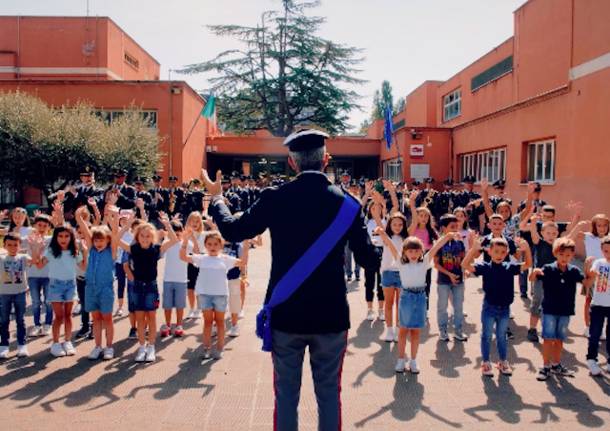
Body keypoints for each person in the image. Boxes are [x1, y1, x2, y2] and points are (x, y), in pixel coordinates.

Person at [201, 128, 380, 431]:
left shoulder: (276, 198)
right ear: (326, 160)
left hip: (287, 313)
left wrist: (217, 198)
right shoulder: (348, 205)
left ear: (292, 162)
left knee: (285, 396)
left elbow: (232, 230)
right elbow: (369, 261)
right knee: (328, 395)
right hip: (331, 316)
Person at [377, 229, 458, 373]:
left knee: (416, 332)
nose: (413, 254)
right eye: (410, 251)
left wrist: (447, 236)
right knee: (402, 331)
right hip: (406, 297)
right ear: (405, 252)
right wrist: (383, 234)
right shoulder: (401, 263)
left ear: (421, 252)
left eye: (416, 251)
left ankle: (413, 360)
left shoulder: (425, 262)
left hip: (420, 298)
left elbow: (435, 247)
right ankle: (401, 360)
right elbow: (391, 245)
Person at [462, 236, 532, 377]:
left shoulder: (510, 267)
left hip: (505, 309)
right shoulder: (485, 267)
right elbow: (465, 265)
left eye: (502, 252)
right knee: (486, 336)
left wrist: (527, 249)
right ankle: (486, 362)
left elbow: (528, 264)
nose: (499, 255)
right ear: (489, 252)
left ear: (506, 253)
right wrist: (473, 249)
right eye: (496, 251)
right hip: (489, 307)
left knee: (502, 336)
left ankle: (503, 361)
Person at [120, 213, 178, 362]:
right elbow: (116, 239)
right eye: (142, 236)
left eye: (148, 236)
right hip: (137, 287)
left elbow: (174, 240)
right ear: (137, 237)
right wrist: (127, 225)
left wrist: (167, 224)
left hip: (151, 287)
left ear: (152, 237)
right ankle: (141, 347)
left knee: (151, 317)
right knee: (140, 319)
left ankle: (151, 347)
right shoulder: (133, 249)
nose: (145, 239)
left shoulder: (156, 249)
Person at [530, 238, 587, 380]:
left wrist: (592, 273)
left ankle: (556, 364)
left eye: (568, 255)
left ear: (572, 255)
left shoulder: (574, 270)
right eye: (561, 255)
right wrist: (535, 271)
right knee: (548, 339)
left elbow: (586, 282)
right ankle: (545, 367)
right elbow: (532, 279)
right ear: (555, 253)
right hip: (549, 310)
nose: (564, 258)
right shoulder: (548, 268)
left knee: (559, 340)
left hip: (565, 311)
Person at [180, 231, 243, 358]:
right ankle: (206, 348)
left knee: (220, 322)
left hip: (220, 295)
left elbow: (243, 262)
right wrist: (185, 241)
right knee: (208, 322)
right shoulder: (201, 258)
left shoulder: (226, 259)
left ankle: (220, 348)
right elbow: (183, 257)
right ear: (205, 245)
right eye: (209, 244)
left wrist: (246, 245)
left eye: (215, 244)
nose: (212, 247)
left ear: (221, 245)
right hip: (204, 295)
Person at [75, 205, 120, 360]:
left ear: (107, 241)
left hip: (106, 289)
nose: (98, 243)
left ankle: (109, 347)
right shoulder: (91, 250)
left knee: (107, 318)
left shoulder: (111, 251)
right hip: (90, 288)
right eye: (96, 240)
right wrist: (79, 217)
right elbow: (86, 231)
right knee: (96, 319)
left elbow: (115, 234)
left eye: (102, 240)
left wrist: (114, 217)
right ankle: (97, 346)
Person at [35, 224, 85, 357]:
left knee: (68, 315)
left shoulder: (75, 251)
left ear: (71, 237)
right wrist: (37, 250)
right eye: (60, 236)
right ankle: (56, 344)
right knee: (59, 316)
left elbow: (84, 267)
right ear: (55, 237)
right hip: (55, 285)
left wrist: (85, 250)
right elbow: (39, 265)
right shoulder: (51, 251)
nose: (63, 239)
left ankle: (67, 341)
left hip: (71, 284)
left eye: (67, 236)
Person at [0, 233, 42, 359]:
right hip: (4, 294)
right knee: (4, 320)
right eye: (9, 245)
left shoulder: (23, 257)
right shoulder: (1, 258)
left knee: (20, 319)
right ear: (4, 245)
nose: (13, 247)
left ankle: (22, 345)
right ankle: (4, 345)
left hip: (20, 293)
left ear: (19, 246)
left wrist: (35, 247)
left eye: (15, 245)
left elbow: (36, 261)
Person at [568, 214, 609, 337]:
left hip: (606, 275)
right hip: (591, 273)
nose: (602, 228)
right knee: (589, 300)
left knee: (605, 302)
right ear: (594, 226)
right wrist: (576, 216)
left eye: (605, 225)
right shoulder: (589, 237)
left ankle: (602, 328)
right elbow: (572, 233)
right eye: (599, 225)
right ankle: (588, 326)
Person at [522, 216, 560, 343]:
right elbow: (533, 235)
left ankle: (549, 329)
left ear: (558, 234)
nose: (551, 235)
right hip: (540, 279)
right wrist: (533, 223)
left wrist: (576, 218)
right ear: (542, 233)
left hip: (554, 280)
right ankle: (532, 329)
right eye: (548, 233)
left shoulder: (559, 246)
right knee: (537, 302)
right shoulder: (540, 243)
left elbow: (571, 236)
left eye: (554, 233)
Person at [373, 210, 408, 342]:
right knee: (389, 303)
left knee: (400, 304)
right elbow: (377, 220)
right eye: (394, 224)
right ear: (390, 225)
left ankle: (399, 329)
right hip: (387, 272)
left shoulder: (406, 239)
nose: (397, 227)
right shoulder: (385, 236)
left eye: (400, 224)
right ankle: (389, 330)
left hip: (402, 273)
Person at [434, 214, 468, 342]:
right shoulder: (439, 244)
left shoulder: (459, 243)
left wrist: (466, 270)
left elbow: (464, 260)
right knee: (442, 306)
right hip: (444, 281)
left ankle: (458, 330)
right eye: (452, 227)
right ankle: (443, 330)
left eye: (456, 227)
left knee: (458, 306)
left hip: (459, 280)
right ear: (443, 228)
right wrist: (449, 275)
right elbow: (436, 264)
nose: (455, 229)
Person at [407, 189, 439, 311]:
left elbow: (439, 241)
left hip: (426, 258)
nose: (424, 218)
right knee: (414, 283)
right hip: (413, 257)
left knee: (426, 284)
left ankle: (424, 309)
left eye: (426, 216)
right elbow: (414, 219)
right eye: (421, 215)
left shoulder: (431, 230)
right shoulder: (413, 228)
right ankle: (413, 306)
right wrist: (412, 203)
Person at [585, 235, 610, 376]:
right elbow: (589, 280)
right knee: (594, 333)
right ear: (602, 250)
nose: (609, 254)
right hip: (598, 304)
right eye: (606, 251)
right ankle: (591, 359)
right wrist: (591, 272)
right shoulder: (599, 263)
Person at [25, 214, 53, 337]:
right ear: (34, 226)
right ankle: (37, 325)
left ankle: (48, 324)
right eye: (39, 225)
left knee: (48, 301)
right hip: (33, 275)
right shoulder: (28, 239)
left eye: (45, 226)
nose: (41, 228)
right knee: (36, 302)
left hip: (48, 275)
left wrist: (37, 253)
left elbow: (41, 262)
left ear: (48, 227)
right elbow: (30, 260)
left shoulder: (50, 240)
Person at [160, 220, 189, 338]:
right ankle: (167, 324)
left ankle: (179, 324)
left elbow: (197, 251)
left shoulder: (186, 243)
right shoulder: (166, 243)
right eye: (173, 233)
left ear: (182, 232)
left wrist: (188, 237)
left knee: (180, 305)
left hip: (181, 280)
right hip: (168, 279)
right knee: (167, 305)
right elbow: (160, 253)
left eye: (178, 233)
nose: (176, 236)